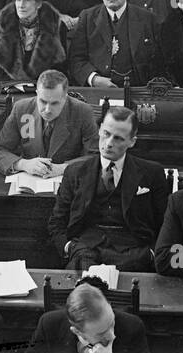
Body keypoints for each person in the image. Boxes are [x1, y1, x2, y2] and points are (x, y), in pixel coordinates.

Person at [48, 106, 170, 272]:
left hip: (133, 252)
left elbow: (166, 223)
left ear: (132, 141)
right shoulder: (75, 171)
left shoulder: (152, 173)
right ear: (99, 130)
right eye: (106, 133)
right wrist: (68, 247)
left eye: (118, 138)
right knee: (81, 289)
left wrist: (151, 253)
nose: (109, 143)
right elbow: (57, 221)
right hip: (85, 250)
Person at [0, 69, 99, 177]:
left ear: (65, 98)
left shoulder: (83, 112)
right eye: (43, 101)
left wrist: (63, 168)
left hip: (66, 180)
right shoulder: (21, 108)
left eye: (54, 103)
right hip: (29, 180)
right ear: (37, 94)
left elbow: (96, 156)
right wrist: (23, 164)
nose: (47, 110)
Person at [67, 0, 164, 87]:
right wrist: (93, 79)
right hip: (99, 91)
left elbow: (159, 62)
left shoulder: (147, 19)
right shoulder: (87, 18)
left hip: (137, 90)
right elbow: (76, 59)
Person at [27, 281, 152, 353]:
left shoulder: (133, 326)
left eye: (112, 323)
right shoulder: (49, 325)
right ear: (77, 332)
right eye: (101, 333)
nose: (112, 335)